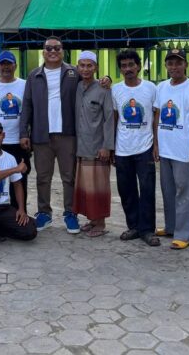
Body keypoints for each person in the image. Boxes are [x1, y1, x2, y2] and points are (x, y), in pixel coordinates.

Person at [19, 36, 80, 233]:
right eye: (49, 48)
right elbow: (27, 105)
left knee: (69, 177)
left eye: (57, 48)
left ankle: (70, 213)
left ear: (63, 51)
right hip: (41, 134)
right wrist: (24, 132)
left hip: (67, 133)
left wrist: (106, 80)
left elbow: (90, 84)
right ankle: (44, 213)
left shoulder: (73, 73)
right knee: (43, 177)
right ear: (43, 51)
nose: (53, 51)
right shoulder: (34, 75)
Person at [154, 48, 189, 250]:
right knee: (168, 190)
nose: (174, 67)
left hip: (184, 150)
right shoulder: (161, 87)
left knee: (184, 191)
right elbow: (157, 116)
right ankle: (171, 227)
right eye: (170, 63)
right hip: (165, 148)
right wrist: (156, 144)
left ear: (186, 65)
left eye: (178, 63)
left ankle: (184, 234)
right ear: (166, 66)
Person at [110, 49, 158, 246]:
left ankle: (147, 230)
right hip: (122, 148)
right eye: (124, 66)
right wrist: (111, 147)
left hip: (145, 147)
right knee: (126, 190)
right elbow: (114, 119)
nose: (128, 69)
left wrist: (156, 144)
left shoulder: (151, 88)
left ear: (138, 66)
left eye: (131, 65)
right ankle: (134, 227)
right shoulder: (116, 90)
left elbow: (156, 117)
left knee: (147, 190)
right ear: (120, 69)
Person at [0, 51, 30, 211]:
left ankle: (19, 212)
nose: (6, 67)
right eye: (3, 64)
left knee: (20, 179)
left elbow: (31, 111)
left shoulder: (25, 85)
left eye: (9, 64)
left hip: (18, 142)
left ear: (15, 66)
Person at [72, 51, 114, 238]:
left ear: (96, 67)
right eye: (82, 65)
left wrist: (107, 146)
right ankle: (93, 219)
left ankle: (101, 223)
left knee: (99, 187)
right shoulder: (78, 87)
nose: (86, 69)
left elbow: (109, 119)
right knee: (87, 187)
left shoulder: (104, 89)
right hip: (82, 147)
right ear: (77, 67)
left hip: (98, 148)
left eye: (89, 65)